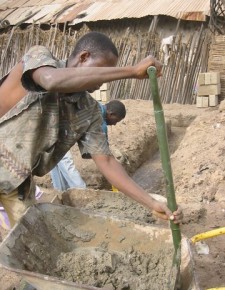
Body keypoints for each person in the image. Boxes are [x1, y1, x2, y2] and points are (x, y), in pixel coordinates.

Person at [0, 31, 183, 230]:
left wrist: (151, 203)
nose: (102, 81)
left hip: (16, 182)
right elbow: (51, 80)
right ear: (84, 57)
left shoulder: (89, 111)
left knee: (29, 242)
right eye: (102, 71)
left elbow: (107, 162)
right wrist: (131, 71)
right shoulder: (39, 57)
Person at [50, 100, 126, 191]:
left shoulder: (94, 104)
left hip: (50, 125)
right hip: (56, 130)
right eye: (116, 120)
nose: (114, 124)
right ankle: (82, 192)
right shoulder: (100, 123)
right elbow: (103, 155)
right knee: (66, 162)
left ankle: (59, 193)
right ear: (111, 114)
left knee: (55, 161)